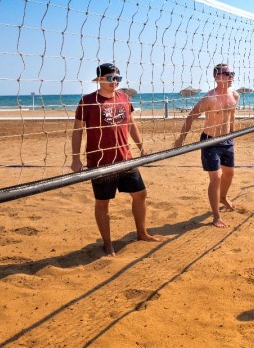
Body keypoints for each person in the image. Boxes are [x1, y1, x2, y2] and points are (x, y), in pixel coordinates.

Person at [71, 63, 161, 256]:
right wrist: (76, 159)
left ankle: (142, 233)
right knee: (103, 202)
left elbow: (131, 124)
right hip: (100, 162)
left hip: (125, 158)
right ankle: (108, 243)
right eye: (111, 78)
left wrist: (141, 147)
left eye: (118, 79)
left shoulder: (124, 98)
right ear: (100, 79)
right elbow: (77, 131)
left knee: (140, 194)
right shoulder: (88, 101)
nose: (115, 82)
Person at [175, 63, 240, 228]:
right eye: (227, 74)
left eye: (232, 73)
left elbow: (231, 117)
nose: (231, 76)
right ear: (217, 77)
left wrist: (233, 136)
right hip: (210, 141)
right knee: (216, 177)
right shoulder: (209, 98)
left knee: (229, 174)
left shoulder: (235, 95)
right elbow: (190, 117)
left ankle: (223, 197)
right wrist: (181, 140)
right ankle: (216, 217)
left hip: (227, 140)